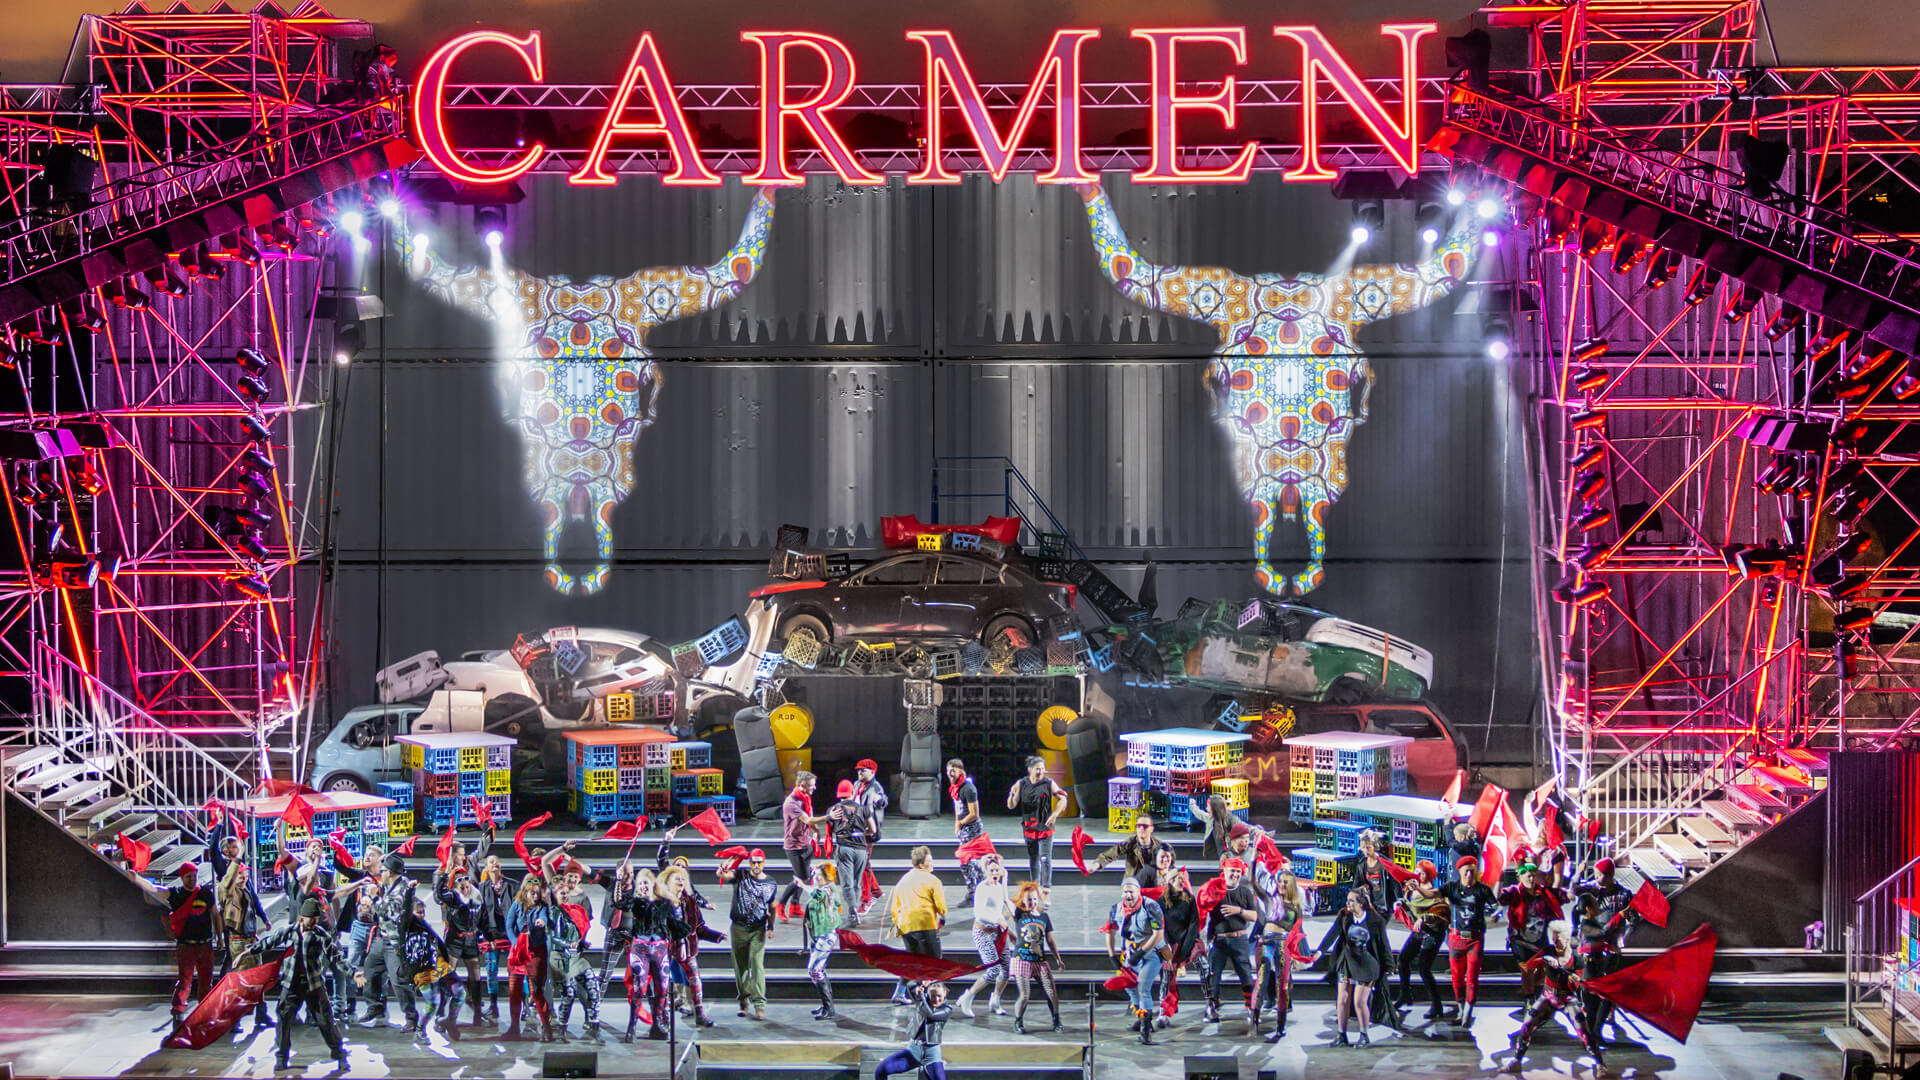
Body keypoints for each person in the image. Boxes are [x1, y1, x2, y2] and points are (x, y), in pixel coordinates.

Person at [258, 896, 348, 1071]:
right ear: (301, 917)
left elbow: (336, 956)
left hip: (313, 985)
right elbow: (269, 942)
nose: (315, 921)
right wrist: (248, 952)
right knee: (283, 1019)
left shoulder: (320, 934)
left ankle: (339, 1054)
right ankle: (282, 1057)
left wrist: (352, 972)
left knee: (326, 1021)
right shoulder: (289, 931)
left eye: (316, 918)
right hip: (291, 984)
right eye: (311, 918)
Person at [1506, 920, 1603, 1073]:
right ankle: (1516, 1060)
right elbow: (1529, 966)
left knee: (1584, 1032)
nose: (1555, 943)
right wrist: (1544, 960)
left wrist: (1572, 979)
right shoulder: (1548, 951)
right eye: (1553, 939)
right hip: (1548, 997)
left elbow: (1577, 986)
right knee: (1526, 1026)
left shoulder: (1576, 959)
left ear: (1566, 939)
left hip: (1568, 1000)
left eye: (1558, 940)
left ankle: (1600, 1064)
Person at [1571, 857, 1637, 1049]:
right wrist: (1578, 873)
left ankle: (1595, 1030)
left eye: (1602, 875)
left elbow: (1633, 918)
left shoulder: (1623, 894)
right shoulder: (1591, 890)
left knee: (1609, 990)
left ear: (1610, 875)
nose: (1599, 878)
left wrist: (1625, 934)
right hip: (1591, 947)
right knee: (1591, 990)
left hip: (1611, 948)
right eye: (1597, 874)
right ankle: (1591, 1030)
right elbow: (1573, 891)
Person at [145, 862, 219, 1029]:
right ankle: (178, 1010)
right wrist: (139, 880)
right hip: (186, 945)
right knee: (185, 980)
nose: (192, 879)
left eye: (194, 875)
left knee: (206, 980)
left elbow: (215, 914)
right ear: (182, 878)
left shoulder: (206, 893)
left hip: (205, 943)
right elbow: (156, 890)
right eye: (189, 877)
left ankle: (205, 1010)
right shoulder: (177, 894)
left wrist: (219, 936)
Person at [1313, 889, 1389, 1047]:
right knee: (1343, 999)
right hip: (1347, 961)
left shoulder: (1376, 920)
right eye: (1347, 900)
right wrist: (1320, 951)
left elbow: (1383, 944)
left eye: (1351, 901)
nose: (1348, 903)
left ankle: (1364, 1035)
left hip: (1366, 964)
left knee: (1359, 1002)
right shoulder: (1344, 916)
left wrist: (1389, 965)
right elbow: (1332, 934)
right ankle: (1341, 1035)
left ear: (1361, 903)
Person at [656, 852, 721, 1028]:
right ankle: (661, 1019)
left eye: (683, 879)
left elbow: (699, 927)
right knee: (662, 984)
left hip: (687, 948)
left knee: (695, 980)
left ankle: (699, 1015)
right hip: (666, 948)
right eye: (677, 878)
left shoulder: (691, 902)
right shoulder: (661, 901)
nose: (680, 882)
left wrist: (716, 936)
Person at [621, 867, 684, 1041]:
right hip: (640, 948)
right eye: (640, 883)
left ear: (653, 884)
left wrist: (682, 943)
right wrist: (620, 881)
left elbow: (675, 925)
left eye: (646, 883)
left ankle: (658, 1024)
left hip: (660, 948)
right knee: (639, 988)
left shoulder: (664, 903)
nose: (643, 886)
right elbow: (620, 903)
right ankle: (632, 1026)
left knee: (662, 989)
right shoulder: (635, 902)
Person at [360, 853, 419, 1030]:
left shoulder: (401, 889)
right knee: (370, 968)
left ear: (391, 873)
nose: (380, 872)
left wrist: (374, 899)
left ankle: (411, 1018)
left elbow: (391, 911)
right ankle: (375, 1006)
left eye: (383, 870)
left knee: (398, 980)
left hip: (395, 943)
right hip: (383, 938)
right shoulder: (390, 886)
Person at [1439, 856, 1499, 1027]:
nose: (1469, 874)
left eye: (1472, 871)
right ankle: (1460, 1007)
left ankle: (1468, 1010)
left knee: (1472, 976)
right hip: (1456, 937)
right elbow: (1433, 894)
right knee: (1457, 976)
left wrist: (1496, 914)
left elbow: (1496, 907)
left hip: (1475, 938)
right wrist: (1419, 889)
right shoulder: (1452, 888)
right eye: (1465, 871)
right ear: (1459, 872)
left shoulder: (1482, 890)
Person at [1201, 857, 1260, 1028]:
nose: (1234, 874)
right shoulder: (1215, 890)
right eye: (1231, 871)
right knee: (1213, 976)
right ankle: (1212, 1006)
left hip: (1239, 938)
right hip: (1219, 940)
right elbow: (1205, 910)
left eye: (1237, 872)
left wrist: (1239, 910)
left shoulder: (1245, 892)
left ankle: (1251, 1007)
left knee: (1246, 975)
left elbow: (1255, 916)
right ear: (1224, 871)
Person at [719, 848, 778, 1020]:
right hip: (738, 927)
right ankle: (744, 1002)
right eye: (753, 862)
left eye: (760, 862)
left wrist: (771, 927)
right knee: (741, 967)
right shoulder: (741, 875)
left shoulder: (771, 883)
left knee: (757, 965)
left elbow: (772, 907)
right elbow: (722, 874)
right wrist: (731, 859)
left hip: (757, 929)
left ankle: (759, 1004)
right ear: (749, 862)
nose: (756, 865)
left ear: (764, 863)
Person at [1107, 877, 1165, 1045]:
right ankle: (1141, 1017)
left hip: (1152, 951)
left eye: (1131, 891)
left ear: (1138, 892)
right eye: (1125, 892)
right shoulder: (1116, 909)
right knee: (1130, 987)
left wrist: (1141, 952)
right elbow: (1109, 931)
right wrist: (1112, 956)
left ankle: (1146, 1031)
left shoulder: (1151, 906)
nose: (1128, 895)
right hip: (1130, 952)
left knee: (1143, 988)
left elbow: (1158, 934)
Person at [218, 861, 274, 1032]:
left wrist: (260, 924)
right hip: (238, 940)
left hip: (249, 939)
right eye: (240, 875)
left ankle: (261, 1013)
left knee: (258, 978)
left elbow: (250, 911)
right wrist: (236, 859)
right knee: (241, 981)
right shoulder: (228, 892)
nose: (244, 878)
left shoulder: (246, 891)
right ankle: (234, 1018)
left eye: (245, 875)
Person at [888, 846, 948, 1005]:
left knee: (913, 962)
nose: (932, 863)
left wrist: (898, 924)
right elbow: (941, 905)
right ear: (921, 864)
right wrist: (943, 916)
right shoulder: (933, 880)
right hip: (924, 923)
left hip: (906, 925)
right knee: (934, 963)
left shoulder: (903, 880)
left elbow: (895, 906)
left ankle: (900, 992)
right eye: (929, 861)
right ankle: (931, 997)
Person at [1498, 863, 1565, 1004]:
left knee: (1540, 970)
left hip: (1539, 938)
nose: (1530, 878)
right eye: (1527, 875)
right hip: (1520, 939)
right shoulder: (1514, 892)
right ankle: (1529, 1000)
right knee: (1527, 969)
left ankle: (1534, 994)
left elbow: (1561, 900)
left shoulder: (1544, 894)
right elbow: (1500, 898)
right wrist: (1498, 880)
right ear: (1520, 877)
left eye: (1533, 875)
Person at [1394, 860, 1451, 1020]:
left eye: (1422, 873)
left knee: (1424, 969)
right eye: (1417, 872)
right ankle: (1405, 994)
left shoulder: (1434, 892)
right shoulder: (1412, 890)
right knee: (1403, 960)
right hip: (1418, 932)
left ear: (1430, 874)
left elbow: (1443, 912)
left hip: (1432, 933)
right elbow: (1410, 906)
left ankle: (1436, 1005)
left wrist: (1426, 918)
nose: (1419, 875)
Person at [956, 854, 1010, 1018]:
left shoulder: (998, 886)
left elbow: (1006, 901)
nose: (995, 872)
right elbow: (979, 913)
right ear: (986, 870)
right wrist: (998, 920)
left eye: (997, 869)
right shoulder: (982, 888)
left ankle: (995, 1000)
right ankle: (967, 997)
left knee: (1006, 967)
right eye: (992, 869)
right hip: (983, 932)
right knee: (993, 969)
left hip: (997, 932)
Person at [1254, 866, 1305, 1042]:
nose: (1282, 884)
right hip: (1266, 941)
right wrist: (1254, 859)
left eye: (1286, 882)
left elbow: (1296, 932)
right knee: (1260, 982)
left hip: (1284, 944)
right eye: (1280, 881)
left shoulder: (1296, 907)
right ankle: (1254, 1021)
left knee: (1282, 987)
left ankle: (1280, 1028)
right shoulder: (1270, 899)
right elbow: (1254, 883)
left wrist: (1297, 956)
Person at [503, 876, 556, 1041]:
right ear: (525, 892)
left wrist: (542, 922)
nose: (535, 896)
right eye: (532, 893)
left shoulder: (542, 907)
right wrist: (515, 944)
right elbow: (509, 926)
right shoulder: (517, 905)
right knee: (514, 991)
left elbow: (545, 919)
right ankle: (514, 1028)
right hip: (519, 954)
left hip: (535, 954)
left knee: (536, 992)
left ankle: (546, 1028)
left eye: (537, 893)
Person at [1008, 881, 1065, 1033]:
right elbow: (1005, 901)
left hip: (1039, 961)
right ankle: (1018, 1021)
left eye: (1034, 899)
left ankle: (1056, 1019)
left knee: (1051, 992)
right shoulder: (1020, 914)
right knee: (1025, 995)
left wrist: (1058, 959)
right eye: (1028, 899)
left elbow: (1050, 940)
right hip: (1022, 959)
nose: (1032, 902)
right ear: (1023, 900)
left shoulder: (1044, 917)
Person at [401, 895, 457, 1042]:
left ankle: (444, 1020)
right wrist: (410, 891)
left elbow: (438, 944)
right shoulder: (406, 926)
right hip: (419, 969)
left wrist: (445, 961)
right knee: (432, 1002)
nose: (422, 915)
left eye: (423, 912)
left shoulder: (425, 927)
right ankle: (421, 1029)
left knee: (458, 993)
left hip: (436, 965)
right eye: (418, 912)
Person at [436, 869, 487, 1029]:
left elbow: (483, 919)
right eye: (460, 882)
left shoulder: (477, 897)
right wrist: (443, 878)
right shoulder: (452, 897)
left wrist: (487, 937)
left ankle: (478, 1014)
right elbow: (440, 894)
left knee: (476, 975)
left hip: (471, 939)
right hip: (455, 939)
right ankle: (442, 1012)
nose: (465, 886)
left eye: (466, 882)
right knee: (449, 973)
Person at [1007, 756, 1068, 889]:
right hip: (1029, 827)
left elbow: (1063, 798)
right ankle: (1035, 886)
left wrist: (1055, 815)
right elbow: (1011, 805)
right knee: (1033, 859)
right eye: (1037, 769)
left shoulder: (1049, 783)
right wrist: (1012, 794)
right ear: (1030, 769)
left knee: (1045, 859)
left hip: (1045, 827)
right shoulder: (1022, 783)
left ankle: (1046, 888)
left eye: (1042, 769)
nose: (1040, 772)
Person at [548, 885, 599, 1041]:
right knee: (568, 992)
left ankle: (594, 1024)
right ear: (554, 895)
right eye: (561, 893)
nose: (564, 895)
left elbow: (577, 934)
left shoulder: (573, 911)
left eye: (566, 893)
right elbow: (554, 937)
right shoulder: (554, 913)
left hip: (574, 956)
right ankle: (561, 1027)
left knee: (592, 984)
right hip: (559, 956)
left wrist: (581, 942)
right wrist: (566, 943)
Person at [875, 981, 955, 1080]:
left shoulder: (947, 1009)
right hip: (914, 1050)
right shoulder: (922, 1000)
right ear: (928, 994)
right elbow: (909, 984)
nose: (936, 999)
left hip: (932, 1053)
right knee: (881, 1070)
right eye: (933, 996)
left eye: (939, 996)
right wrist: (921, 982)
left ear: (945, 994)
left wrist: (920, 997)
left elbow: (931, 1015)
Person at [1156, 866, 1202, 1032]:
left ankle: (1211, 1003)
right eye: (1179, 879)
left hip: (1187, 941)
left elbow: (1193, 924)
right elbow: (1160, 925)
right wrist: (1167, 946)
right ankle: (1164, 1011)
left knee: (1204, 966)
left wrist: (1186, 946)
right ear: (1171, 881)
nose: (1183, 882)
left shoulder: (1189, 899)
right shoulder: (1161, 902)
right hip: (1169, 942)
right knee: (1167, 977)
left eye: (1184, 879)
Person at [799, 863, 845, 1020]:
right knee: (819, 970)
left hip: (826, 935)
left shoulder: (828, 890)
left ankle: (829, 1008)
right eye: (815, 874)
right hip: (819, 935)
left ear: (827, 878)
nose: (816, 878)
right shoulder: (825, 889)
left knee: (814, 970)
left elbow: (818, 895)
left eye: (819, 875)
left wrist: (802, 885)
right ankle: (826, 1006)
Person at [826, 780, 874, 921]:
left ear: (838, 794)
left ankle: (852, 910)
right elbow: (873, 830)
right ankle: (855, 908)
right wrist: (860, 834)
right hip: (860, 850)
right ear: (852, 793)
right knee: (856, 882)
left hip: (844, 848)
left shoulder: (833, 809)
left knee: (847, 883)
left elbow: (829, 827)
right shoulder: (864, 809)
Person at [476, 854, 513, 1020]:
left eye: (497, 861)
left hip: (509, 934)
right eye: (491, 862)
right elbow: (479, 913)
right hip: (490, 935)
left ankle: (522, 1005)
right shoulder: (481, 888)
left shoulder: (512, 885)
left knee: (516, 971)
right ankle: (493, 1005)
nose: (495, 864)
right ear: (486, 867)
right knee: (491, 971)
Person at [851, 758, 889, 916]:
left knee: (862, 864)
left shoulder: (876, 787)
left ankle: (867, 899)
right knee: (864, 863)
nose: (859, 772)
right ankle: (876, 891)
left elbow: (883, 801)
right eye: (858, 770)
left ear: (872, 772)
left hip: (869, 830)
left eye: (863, 770)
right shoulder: (857, 784)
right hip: (857, 829)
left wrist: (879, 801)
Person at [946, 759, 985, 904]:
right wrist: (957, 824)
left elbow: (974, 813)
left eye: (954, 770)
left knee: (967, 861)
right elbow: (958, 808)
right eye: (949, 770)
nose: (951, 773)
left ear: (961, 771)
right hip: (963, 827)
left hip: (972, 828)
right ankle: (978, 888)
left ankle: (976, 889)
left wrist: (962, 822)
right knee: (968, 861)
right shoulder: (955, 788)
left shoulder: (968, 788)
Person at [1092, 814, 1172, 879]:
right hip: (1133, 881)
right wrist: (1098, 863)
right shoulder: (1130, 843)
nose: (1141, 829)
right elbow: (1112, 853)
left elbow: (1170, 862)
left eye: (1145, 826)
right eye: (1138, 826)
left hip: (1153, 882)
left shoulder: (1160, 845)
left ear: (1151, 829)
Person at [1190, 793, 1237, 862]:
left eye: (1208, 807)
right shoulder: (1210, 819)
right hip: (1215, 855)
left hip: (1227, 855)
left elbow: (1243, 826)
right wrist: (1192, 806)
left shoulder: (1230, 820)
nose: (1206, 809)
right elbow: (1200, 814)